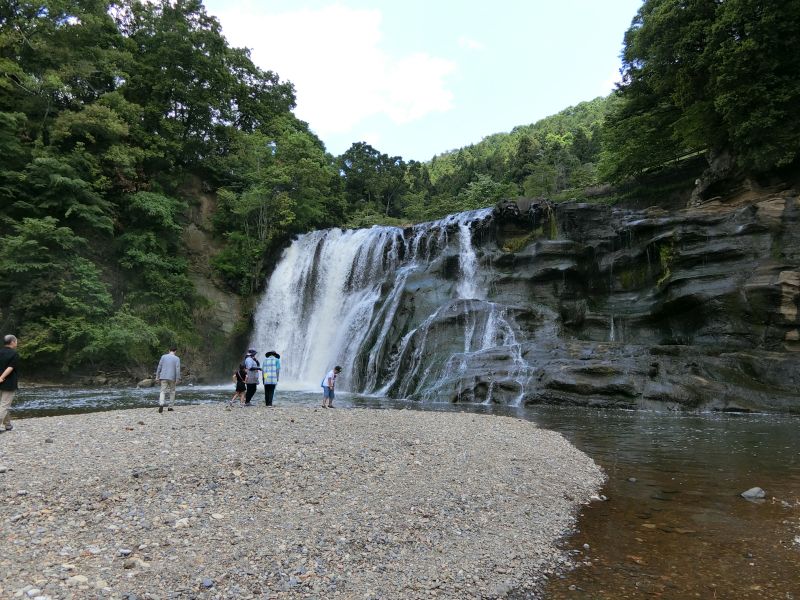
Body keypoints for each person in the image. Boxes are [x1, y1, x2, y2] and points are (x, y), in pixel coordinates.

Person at [0, 334, 20, 433]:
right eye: (16, 341)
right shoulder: (14, 354)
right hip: (9, 382)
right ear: (12, 342)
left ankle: (7, 425)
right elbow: (10, 367)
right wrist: (1, 377)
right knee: (4, 405)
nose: (17, 343)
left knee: (3, 404)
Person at [155, 345, 181, 413]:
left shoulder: (163, 356)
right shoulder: (177, 358)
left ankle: (161, 404)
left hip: (163, 376)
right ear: (175, 351)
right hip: (172, 377)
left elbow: (159, 366)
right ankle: (170, 407)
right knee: (172, 391)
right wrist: (178, 378)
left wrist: (157, 376)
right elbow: (177, 369)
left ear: (169, 350)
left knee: (162, 391)